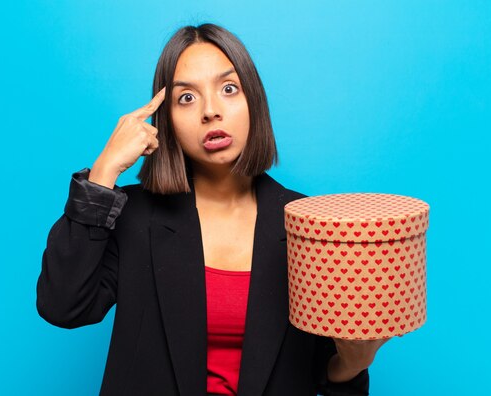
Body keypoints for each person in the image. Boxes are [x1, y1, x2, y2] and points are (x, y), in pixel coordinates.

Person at [37, 23, 387, 396]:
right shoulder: (134, 217)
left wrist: (354, 362)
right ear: (166, 121)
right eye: (186, 98)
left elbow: (320, 372)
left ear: (254, 100)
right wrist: (104, 172)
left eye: (229, 89)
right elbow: (63, 306)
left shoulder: (309, 223)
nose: (210, 111)